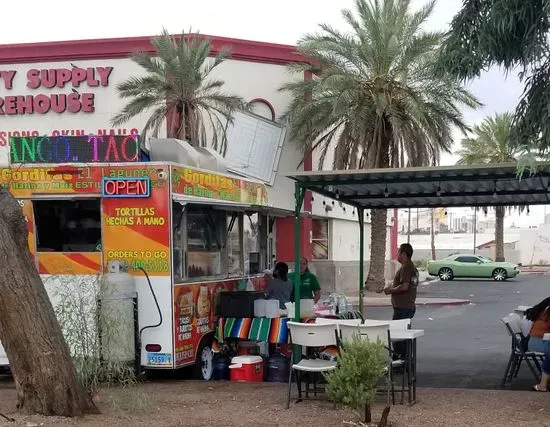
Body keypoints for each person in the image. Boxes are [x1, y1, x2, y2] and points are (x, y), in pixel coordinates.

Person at [378, 243, 419, 359]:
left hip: (403, 308)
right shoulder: (411, 267)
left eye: (399, 252)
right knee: (403, 336)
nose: (397, 254)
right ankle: (405, 360)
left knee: (398, 337)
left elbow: (405, 286)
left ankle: (401, 360)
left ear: (404, 254)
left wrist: (390, 290)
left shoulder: (406, 268)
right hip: (407, 307)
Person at [525, 297, 550, 391]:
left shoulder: (542, 310)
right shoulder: (547, 313)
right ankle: (543, 383)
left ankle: (544, 382)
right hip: (540, 343)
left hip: (533, 342)